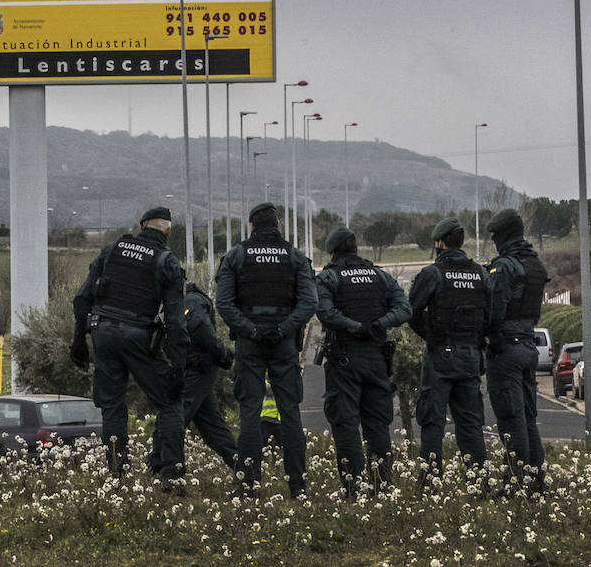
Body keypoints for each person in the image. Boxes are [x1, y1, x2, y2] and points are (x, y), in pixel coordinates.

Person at [71, 206, 188, 492]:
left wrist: (77, 341)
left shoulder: (113, 250)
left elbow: (82, 298)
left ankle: (117, 476)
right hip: (139, 337)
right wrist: (179, 365)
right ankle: (171, 475)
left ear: (142, 226)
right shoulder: (166, 261)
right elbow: (175, 320)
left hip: (103, 334)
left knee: (112, 407)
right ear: (168, 231)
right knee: (170, 403)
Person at [216, 202, 317, 499]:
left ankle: (248, 485)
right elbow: (309, 303)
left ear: (251, 226)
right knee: (290, 414)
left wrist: (251, 329)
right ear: (277, 226)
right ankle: (298, 487)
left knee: (250, 413)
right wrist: (285, 328)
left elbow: (224, 303)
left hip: (250, 343)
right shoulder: (295, 257)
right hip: (284, 344)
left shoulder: (237, 255)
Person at [315, 226, 412, 496]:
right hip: (376, 357)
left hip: (345, 357)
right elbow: (404, 309)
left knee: (345, 422)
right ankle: (382, 485)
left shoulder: (329, 277)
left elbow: (324, 311)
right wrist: (379, 323)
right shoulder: (380, 276)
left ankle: (354, 488)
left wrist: (354, 326)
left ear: (333, 253)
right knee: (378, 423)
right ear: (356, 249)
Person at [408, 217, 490, 487]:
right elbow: (490, 314)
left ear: (440, 242)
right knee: (470, 422)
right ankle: (479, 482)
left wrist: (430, 336)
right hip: (470, 355)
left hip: (441, 356)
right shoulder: (480, 273)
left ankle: (430, 483)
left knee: (433, 421)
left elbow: (412, 311)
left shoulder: (434, 273)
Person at [485, 208, 549, 495]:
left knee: (511, 419)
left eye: (496, 236)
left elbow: (495, 308)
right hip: (527, 345)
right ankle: (535, 480)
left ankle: (516, 482)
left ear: (504, 236)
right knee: (528, 418)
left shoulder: (506, 266)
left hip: (506, 349)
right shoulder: (535, 264)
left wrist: (491, 336)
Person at [173, 283, 237, 472]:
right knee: (213, 427)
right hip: (198, 371)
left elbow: (200, 326)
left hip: (197, 370)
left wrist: (222, 353)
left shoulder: (191, 299)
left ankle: (161, 466)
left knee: (174, 417)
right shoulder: (184, 301)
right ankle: (243, 468)